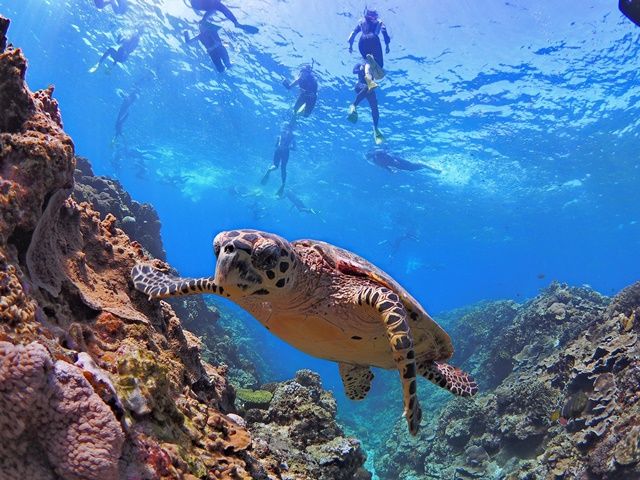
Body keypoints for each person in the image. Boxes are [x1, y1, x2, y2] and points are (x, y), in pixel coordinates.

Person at [347, 8, 390, 90]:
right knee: (380, 64)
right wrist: (387, 45)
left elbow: (352, 35)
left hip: (362, 41)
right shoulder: (379, 22)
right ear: (376, 15)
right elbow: (384, 32)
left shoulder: (361, 22)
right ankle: (371, 69)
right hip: (373, 39)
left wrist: (350, 46)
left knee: (367, 61)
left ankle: (369, 80)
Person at [348, 63, 384, 145]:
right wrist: (361, 69)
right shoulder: (359, 64)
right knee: (366, 86)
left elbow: (379, 74)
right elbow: (354, 71)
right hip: (360, 85)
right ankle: (353, 105)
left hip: (370, 88)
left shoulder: (373, 66)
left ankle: (375, 127)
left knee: (375, 106)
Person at [261, 120, 296, 197]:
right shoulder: (292, 136)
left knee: (275, 166)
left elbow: (276, 145)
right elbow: (294, 148)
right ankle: (283, 184)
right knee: (283, 168)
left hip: (278, 150)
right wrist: (289, 147)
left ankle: (269, 171)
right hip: (286, 151)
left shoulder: (279, 135)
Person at [190, 0, 259, 33]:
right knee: (216, 6)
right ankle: (236, 23)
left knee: (215, 6)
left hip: (200, 4)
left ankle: (236, 24)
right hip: (198, 3)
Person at [366, 149, 442, 173]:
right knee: (412, 169)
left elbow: (387, 155)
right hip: (397, 165)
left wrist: (394, 160)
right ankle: (432, 165)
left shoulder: (378, 153)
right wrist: (390, 171)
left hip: (398, 160)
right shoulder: (375, 161)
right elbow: (384, 166)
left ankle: (433, 169)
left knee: (414, 164)